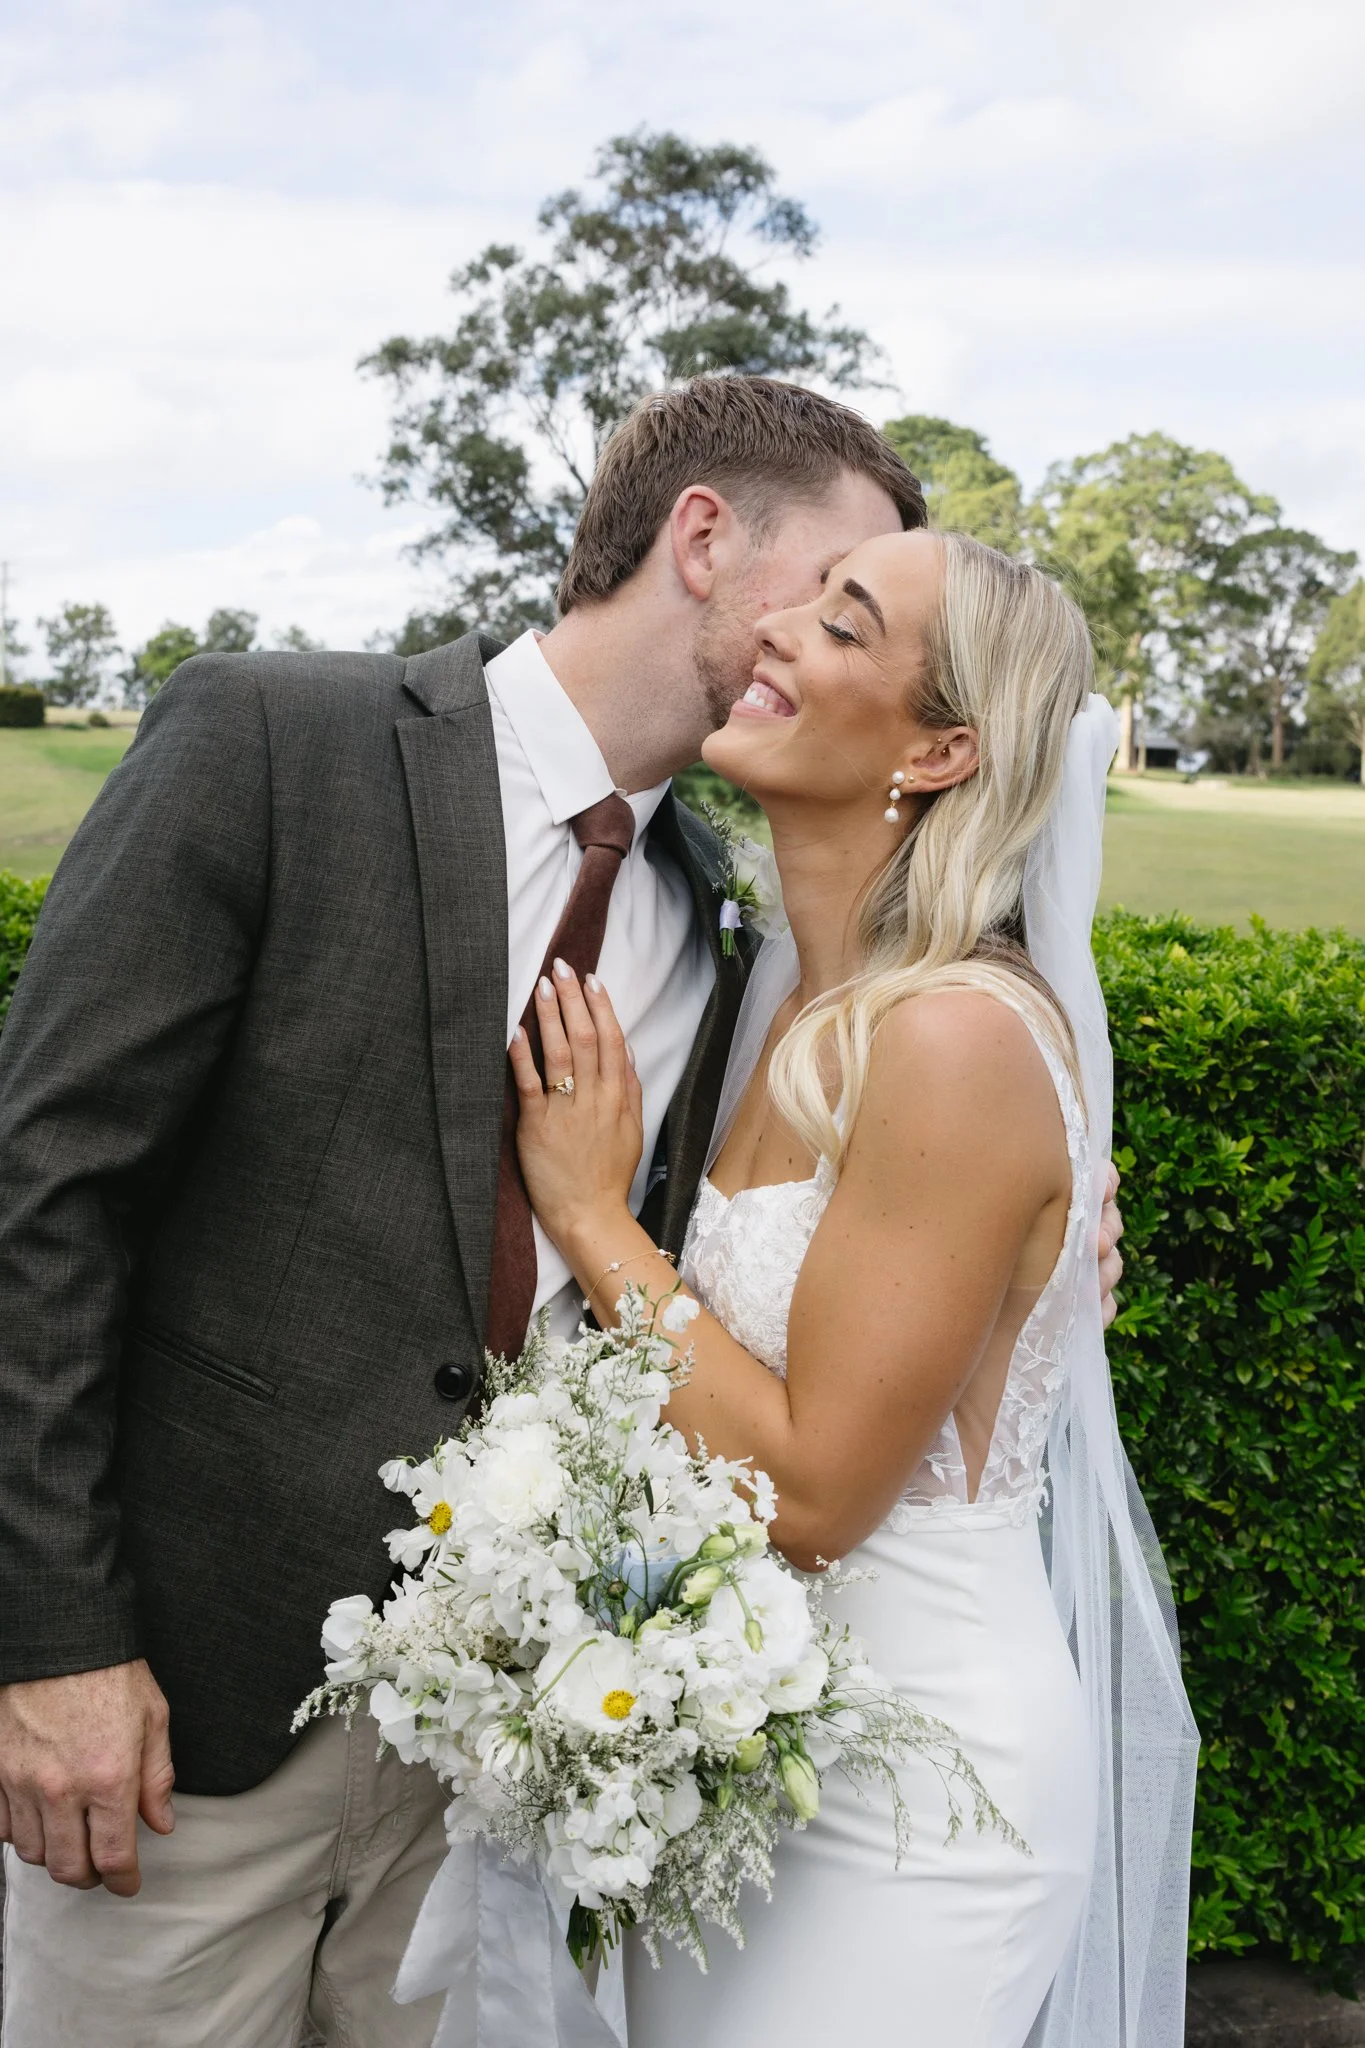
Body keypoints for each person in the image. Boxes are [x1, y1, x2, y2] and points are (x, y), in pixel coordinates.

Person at [0, 377, 1123, 2048]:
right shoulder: (271, 743)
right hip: (197, 1722)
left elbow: (825, 1280)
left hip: (521, 1768)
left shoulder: (721, 928)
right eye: (825, 588)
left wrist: (1036, 1255)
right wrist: (54, 1638)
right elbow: (44, 1202)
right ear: (700, 540)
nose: (806, 641)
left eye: (854, 619)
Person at [509, 528, 1196, 2048]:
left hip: (917, 1800)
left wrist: (587, 1212)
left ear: (945, 745)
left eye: (841, 623)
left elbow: (819, 1489)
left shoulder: (950, 1041)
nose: (778, 636)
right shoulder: (791, 1002)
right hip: (744, 1760)